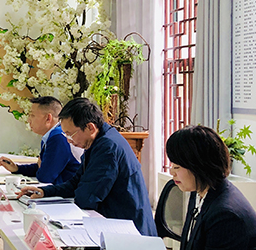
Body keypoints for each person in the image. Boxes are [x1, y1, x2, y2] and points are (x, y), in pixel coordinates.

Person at [19, 98, 156, 236]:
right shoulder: (97, 140)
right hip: (112, 222)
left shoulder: (108, 147)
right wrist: (44, 192)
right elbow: (76, 182)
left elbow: (86, 198)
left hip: (130, 231)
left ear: (90, 127)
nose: (68, 140)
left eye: (70, 134)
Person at [0, 96, 80, 185]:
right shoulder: (52, 134)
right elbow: (44, 167)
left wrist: (41, 166)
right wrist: (17, 168)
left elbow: (45, 177)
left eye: (32, 115)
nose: (29, 120)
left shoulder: (58, 137)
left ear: (48, 118)